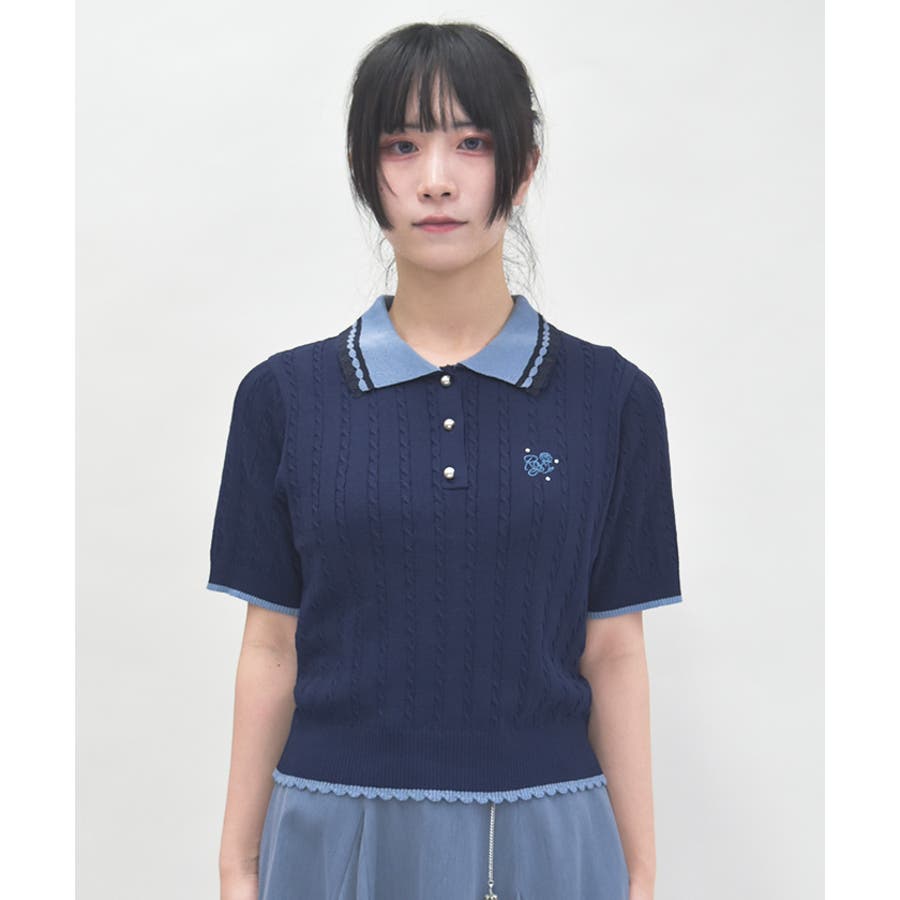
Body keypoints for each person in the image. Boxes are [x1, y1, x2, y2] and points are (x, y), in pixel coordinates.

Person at [207, 21, 683, 900]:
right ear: (365, 170)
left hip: (549, 839)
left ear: (523, 168)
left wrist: (642, 874)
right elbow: (270, 646)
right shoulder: (283, 399)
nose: (436, 179)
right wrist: (237, 867)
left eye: (472, 143)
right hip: (330, 834)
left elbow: (614, 650)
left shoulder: (612, 401)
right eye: (402, 144)